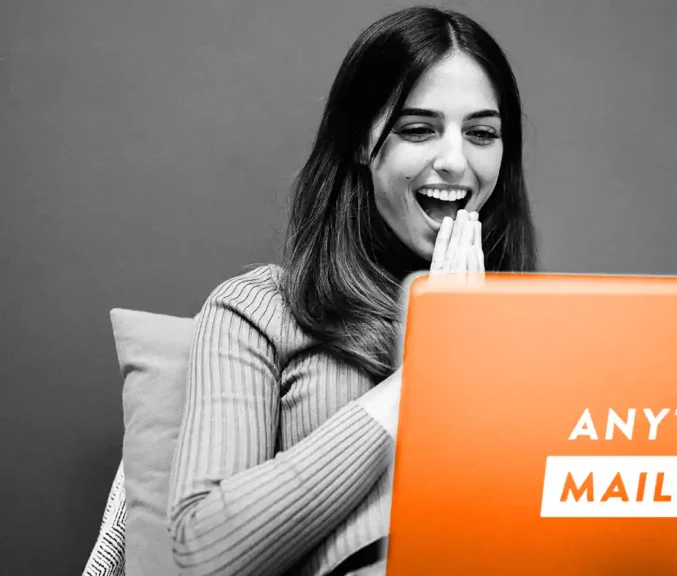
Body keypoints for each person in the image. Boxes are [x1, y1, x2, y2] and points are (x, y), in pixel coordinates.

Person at [81, 5, 536, 576]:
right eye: (417, 129)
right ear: (359, 144)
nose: (454, 160)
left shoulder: (537, 331)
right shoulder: (259, 310)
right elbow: (206, 554)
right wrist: (431, 370)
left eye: (482, 133)